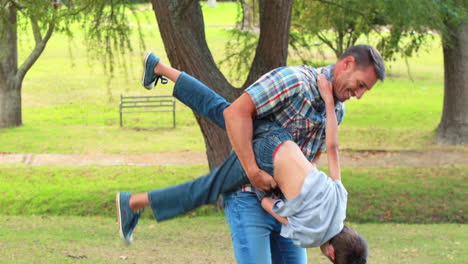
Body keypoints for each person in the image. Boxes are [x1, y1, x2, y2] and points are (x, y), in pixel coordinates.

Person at [131, 45, 384, 263]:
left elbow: (325, 152)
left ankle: (160, 68)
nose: (359, 95)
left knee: (220, 110)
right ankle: (133, 203)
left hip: (283, 195)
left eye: (365, 90)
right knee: (211, 172)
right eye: (360, 85)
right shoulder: (295, 80)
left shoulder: (336, 115)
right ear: (347, 64)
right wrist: (253, 172)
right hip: (254, 181)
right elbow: (236, 115)